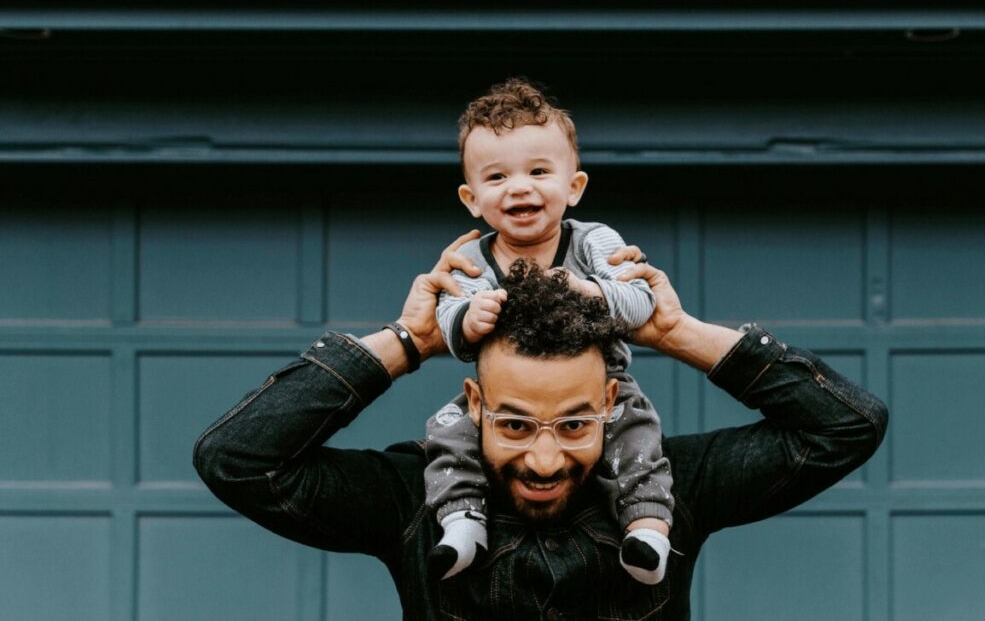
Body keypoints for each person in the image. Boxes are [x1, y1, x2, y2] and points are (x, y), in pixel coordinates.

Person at [193, 231, 888, 621]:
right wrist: (408, 341)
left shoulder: (673, 489)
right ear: (473, 404)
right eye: (517, 427)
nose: (547, 461)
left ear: (614, 401)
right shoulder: (413, 499)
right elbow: (238, 459)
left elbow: (845, 427)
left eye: (576, 424)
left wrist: (675, 332)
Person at [426, 78, 672, 584]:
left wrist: (591, 292)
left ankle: (646, 529)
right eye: (497, 178)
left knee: (637, 432)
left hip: (603, 385)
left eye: (539, 171)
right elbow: (448, 320)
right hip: (504, 397)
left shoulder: (593, 242)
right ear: (472, 199)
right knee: (447, 431)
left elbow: (639, 300)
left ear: (574, 187)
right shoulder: (471, 257)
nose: (519, 187)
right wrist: (466, 319)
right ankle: (461, 521)